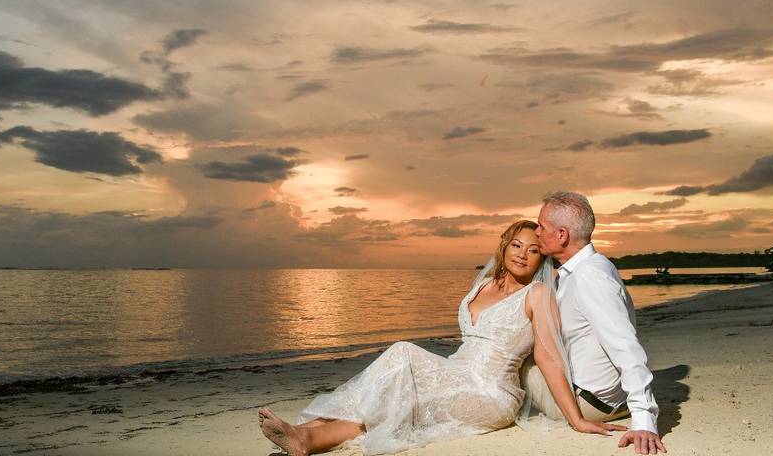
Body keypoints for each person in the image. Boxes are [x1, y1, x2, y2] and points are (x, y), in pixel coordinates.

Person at [257, 220, 625, 455]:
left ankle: (308, 432)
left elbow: (547, 358)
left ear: (541, 259)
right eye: (516, 245)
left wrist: (576, 419)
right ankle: (307, 437)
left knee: (402, 355)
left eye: (533, 250)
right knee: (398, 400)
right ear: (504, 245)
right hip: (456, 374)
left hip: (490, 393)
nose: (523, 255)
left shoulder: (537, 295)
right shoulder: (483, 283)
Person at [527, 190, 667, 455]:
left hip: (591, 403)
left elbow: (625, 346)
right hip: (606, 398)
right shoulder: (586, 268)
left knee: (513, 362)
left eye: (541, 226)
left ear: (562, 235)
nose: (536, 232)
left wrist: (644, 419)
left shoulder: (589, 276)